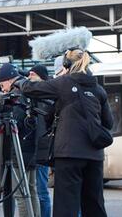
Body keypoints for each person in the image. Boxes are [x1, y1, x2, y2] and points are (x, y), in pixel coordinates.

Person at [21, 49, 113, 217]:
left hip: (69, 153)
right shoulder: (98, 89)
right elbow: (109, 122)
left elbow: (31, 89)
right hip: (94, 155)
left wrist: (20, 81)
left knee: (66, 206)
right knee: (94, 205)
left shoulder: (64, 82)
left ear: (66, 64)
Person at [0, 63, 39, 217]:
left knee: (21, 193)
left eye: (2, 84)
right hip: (30, 147)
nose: (2, 89)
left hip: (18, 151)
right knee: (31, 189)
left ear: (9, 80)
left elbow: (13, 120)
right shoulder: (28, 89)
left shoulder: (16, 95)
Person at [27, 65, 54, 217]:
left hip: (43, 149)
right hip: (34, 149)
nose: (29, 77)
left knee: (41, 190)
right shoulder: (33, 97)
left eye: (32, 74)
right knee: (34, 189)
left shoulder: (47, 96)